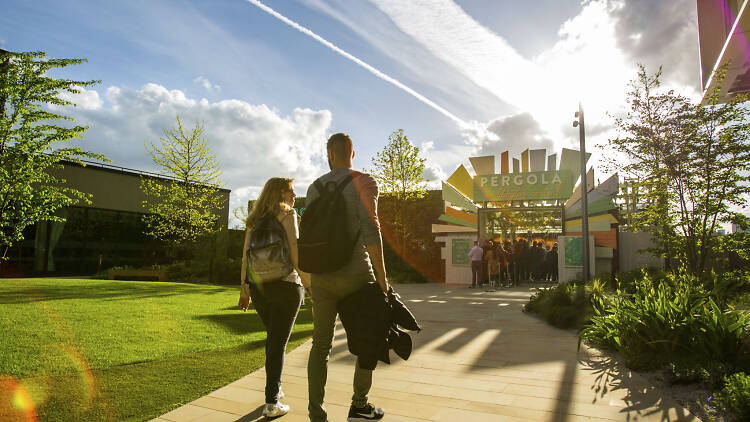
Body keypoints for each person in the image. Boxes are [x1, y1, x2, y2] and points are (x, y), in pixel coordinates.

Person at [306, 133, 388, 422]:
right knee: (370, 339)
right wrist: (382, 276)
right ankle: (359, 405)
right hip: (357, 277)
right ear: (353, 153)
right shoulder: (364, 181)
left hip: (322, 277)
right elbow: (370, 227)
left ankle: (317, 415)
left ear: (329, 154)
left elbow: (308, 234)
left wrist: (308, 279)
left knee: (320, 346)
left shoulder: (314, 187)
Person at [239, 177, 311, 418]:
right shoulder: (287, 214)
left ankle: (275, 389)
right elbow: (294, 250)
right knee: (278, 342)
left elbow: (245, 256)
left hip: (260, 289)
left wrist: (244, 289)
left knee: (274, 340)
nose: (294, 196)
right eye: (291, 191)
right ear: (280, 192)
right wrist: (310, 285)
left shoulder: (253, 219)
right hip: (286, 286)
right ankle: (271, 403)